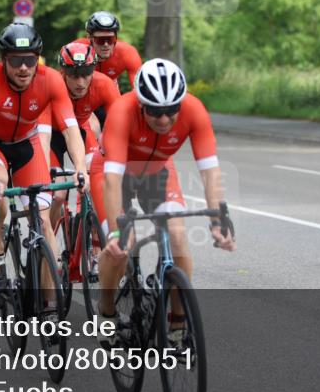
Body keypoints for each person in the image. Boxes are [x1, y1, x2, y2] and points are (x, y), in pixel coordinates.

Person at [89, 58, 235, 346]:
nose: (165, 119)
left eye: (171, 111)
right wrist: (117, 232)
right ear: (141, 104)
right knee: (121, 247)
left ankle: (177, 326)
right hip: (112, 172)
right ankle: (106, 312)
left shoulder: (194, 110)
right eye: (156, 111)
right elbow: (113, 179)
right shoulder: (122, 112)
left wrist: (218, 219)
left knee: (179, 236)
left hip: (158, 171)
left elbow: (210, 170)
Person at [0, 23, 87, 298]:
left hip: (27, 145)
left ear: (38, 59)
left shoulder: (51, 80)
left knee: (44, 223)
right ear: (3, 61)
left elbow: (71, 129)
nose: (24, 68)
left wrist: (80, 167)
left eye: (30, 61)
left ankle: (48, 306)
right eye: (16, 61)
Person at [44, 42, 120, 236]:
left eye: (86, 74)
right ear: (63, 71)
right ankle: (48, 245)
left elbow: (119, 128)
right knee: (58, 196)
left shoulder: (104, 85)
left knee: (97, 188)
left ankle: (94, 248)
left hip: (82, 132)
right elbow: (40, 131)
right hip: (53, 136)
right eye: (74, 75)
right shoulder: (52, 84)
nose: (80, 82)